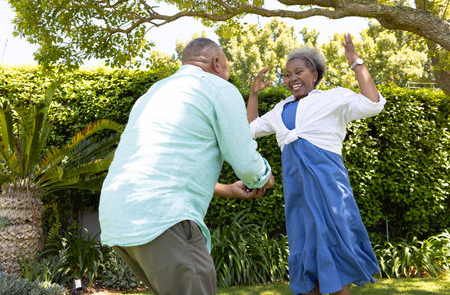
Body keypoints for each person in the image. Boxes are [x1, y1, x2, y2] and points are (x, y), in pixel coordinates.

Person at [98, 37, 274, 295]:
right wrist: (264, 177)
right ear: (216, 62)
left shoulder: (153, 93)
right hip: (164, 217)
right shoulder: (217, 87)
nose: (228, 73)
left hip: (118, 217)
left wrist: (228, 189)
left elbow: (166, 168)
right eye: (227, 65)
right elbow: (246, 162)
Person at [247, 33, 385, 295]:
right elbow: (250, 129)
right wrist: (253, 93)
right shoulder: (279, 109)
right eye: (287, 75)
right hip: (299, 200)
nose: (292, 79)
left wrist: (357, 62)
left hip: (330, 195)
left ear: (314, 74)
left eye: (298, 71)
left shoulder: (333, 98)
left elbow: (372, 103)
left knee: (334, 258)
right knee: (308, 264)